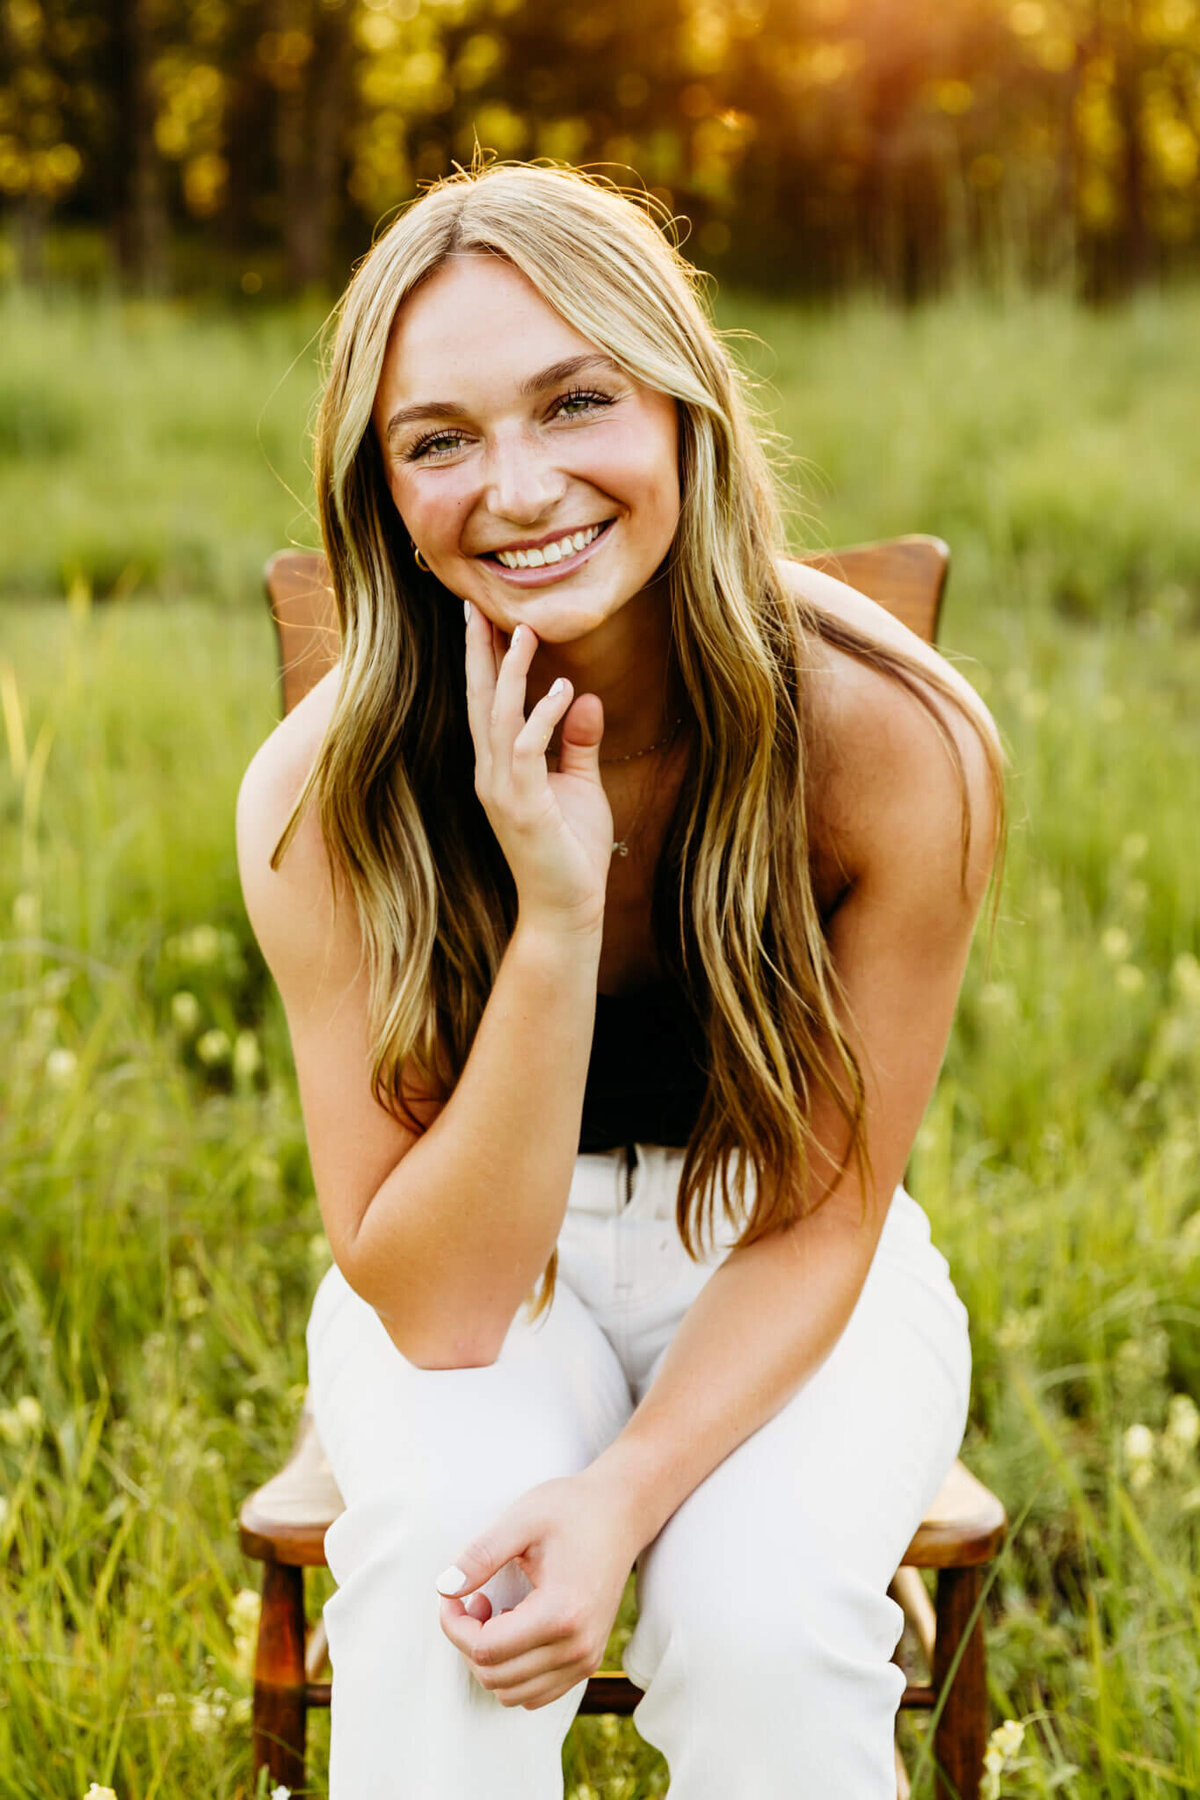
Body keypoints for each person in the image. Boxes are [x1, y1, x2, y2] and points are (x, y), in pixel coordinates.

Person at [236, 160, 1005, 1799]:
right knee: (457, 1580)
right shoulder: (325, 798)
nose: (514, 489)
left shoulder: (894, 744)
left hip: (791, 1246)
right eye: (438, 438)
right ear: (381, 490)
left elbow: (827, 1209)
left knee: (761, 1623)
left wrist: (626, 1496)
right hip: (486, 1270)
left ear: (681, 406)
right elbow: (440, 1310)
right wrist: (558, 913)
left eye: (573, 399)